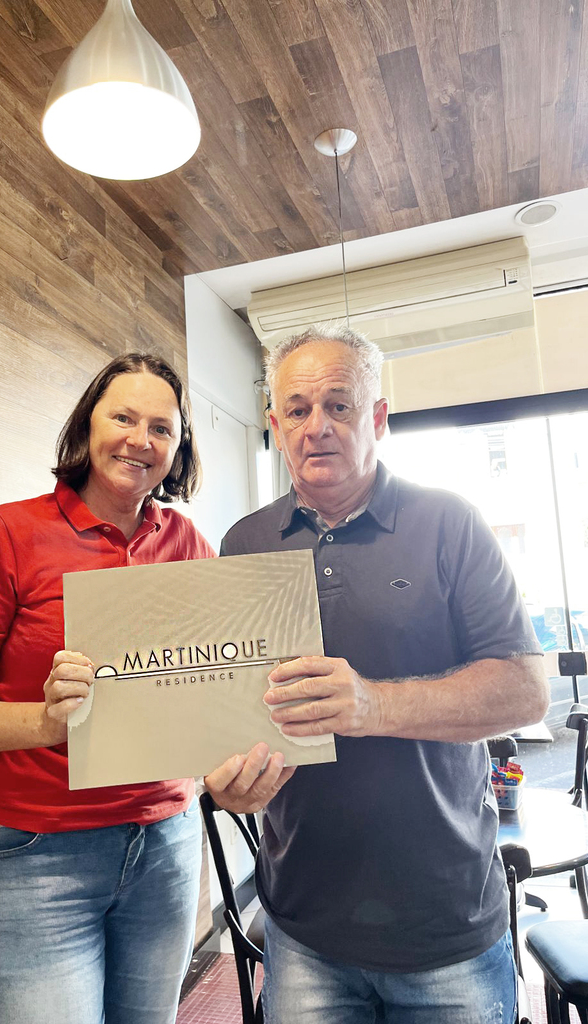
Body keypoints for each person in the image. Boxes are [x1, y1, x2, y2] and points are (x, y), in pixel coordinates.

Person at [204, 324, 550, 1024]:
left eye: (339, 404)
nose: (317, 427)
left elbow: (525, 689)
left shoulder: (450, 523)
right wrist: (226, 775)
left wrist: (370, 705)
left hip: (445, 923)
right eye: (297, 410)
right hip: (303, 927)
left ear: (379, 418)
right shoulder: (244, 543)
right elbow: (231, 706)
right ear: (274, 426)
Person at [0, 353, 215, 1024]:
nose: (141, 440)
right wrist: (49, 724)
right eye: (123, 417)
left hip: (163, 842)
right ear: (87, 427)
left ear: (177, 448)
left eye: (162, 428)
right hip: (35, 855)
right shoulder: (8, 532)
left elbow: (201, 691)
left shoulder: (189, 543)